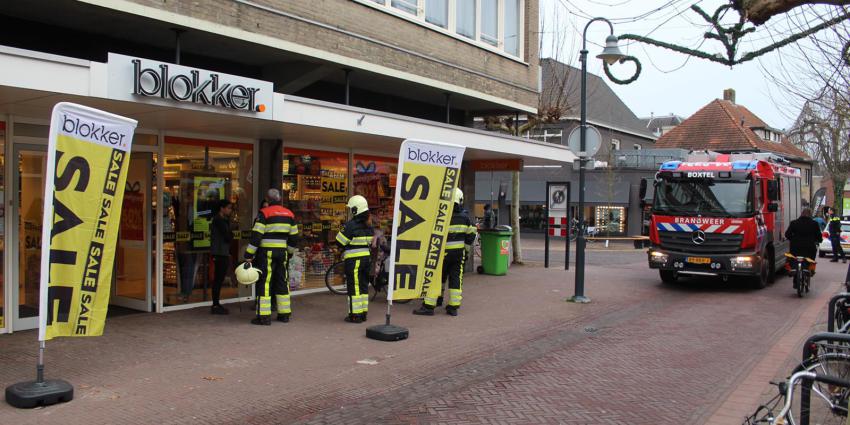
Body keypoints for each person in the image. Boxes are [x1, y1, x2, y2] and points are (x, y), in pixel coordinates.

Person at [414, 188, 476, 316]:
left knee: (435, 277)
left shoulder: (440, 216)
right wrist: (466, 249)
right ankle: (453, 307)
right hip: (458, 254)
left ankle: (430, 305)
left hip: (440, 253)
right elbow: (471, 234)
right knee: (455, 278)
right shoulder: (465, 218)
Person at [244, 188, 299, 325]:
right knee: (282, 281)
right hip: (282, 253)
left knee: (265, 282)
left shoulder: (264, 213)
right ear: (279, 199)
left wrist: (249, 254)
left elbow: (256, 236)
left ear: (267, 200)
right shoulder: (289, 214)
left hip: (266, 252)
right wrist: (290, 252)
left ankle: (264, 317)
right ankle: (284, 314)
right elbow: (294, 237)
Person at [336, 195, 374, 323]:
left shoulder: (350, 225)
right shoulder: (369, 225)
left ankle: (355, 315)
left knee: (354, 286)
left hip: (354, 260)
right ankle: (363, 313)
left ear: (355, 210)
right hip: (366, 259)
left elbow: (340, 242)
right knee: (363, 286)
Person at [785, 208, 822, 284]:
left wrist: (793, 239)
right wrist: (818, 240)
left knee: (794, 259)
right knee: (810, 259)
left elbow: (787, 234)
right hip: (809, 247)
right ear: (810, 214)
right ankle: (810, 270)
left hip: (795, 247)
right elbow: (819, 236)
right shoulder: (814, 224)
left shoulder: (794, 223)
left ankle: (793, 271)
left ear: (801, 214)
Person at [209, 200, 234, 315]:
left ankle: (216, 303)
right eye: (228, 208)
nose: (230, 210)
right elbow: (228, 235)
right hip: (219, 252)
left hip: (222, 251)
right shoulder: (219, 220)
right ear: (222, 208)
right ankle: (215, 304)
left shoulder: (222, 220)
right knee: (218, 279)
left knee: (219, 279)